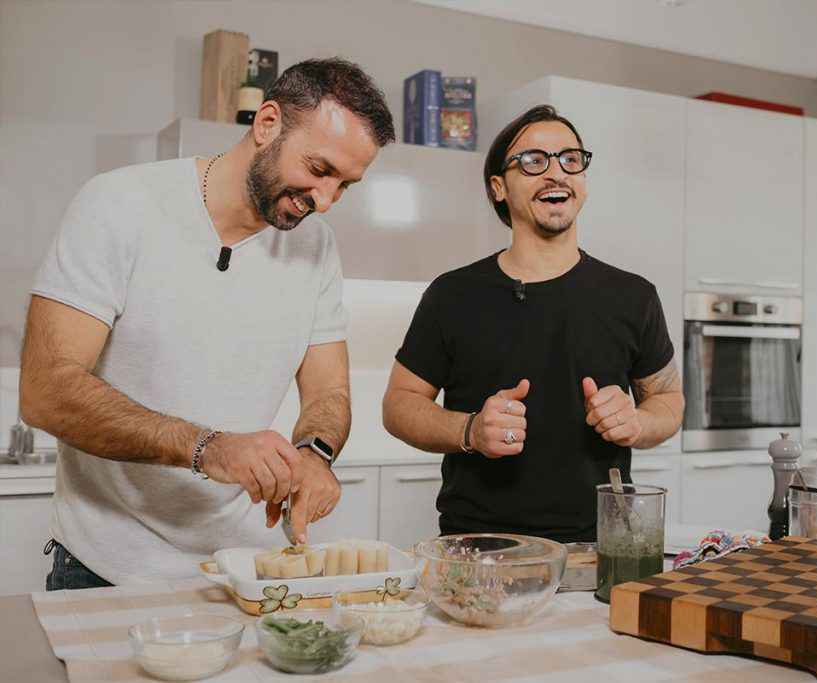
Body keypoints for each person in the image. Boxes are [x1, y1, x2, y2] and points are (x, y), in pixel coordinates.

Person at [19, 58, 395, 588]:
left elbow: (329, 391)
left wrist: (316, 454)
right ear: (266, 124)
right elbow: (45, 390)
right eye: (319, 169)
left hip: (244, 569)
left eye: (346, 185)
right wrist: (209, 448)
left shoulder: (316, 246)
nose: (327, 201)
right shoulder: (120, 205)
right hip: (107, 568)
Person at [382, 105, 684, 543]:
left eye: (570, 159)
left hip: (597, 547)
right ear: (499, 187)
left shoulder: (632, 296)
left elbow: (668, 400)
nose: (556, 173)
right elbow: (399, 405)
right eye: (533, 161)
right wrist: (468, 430)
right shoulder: (452, 295)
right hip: (476, 548)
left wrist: (636, 422)